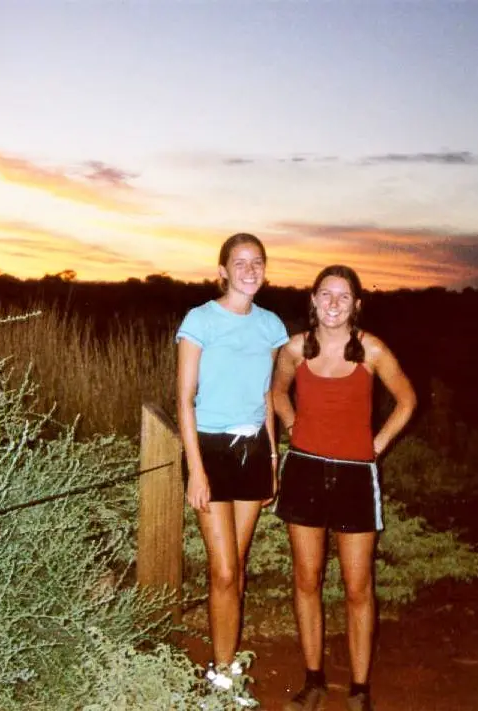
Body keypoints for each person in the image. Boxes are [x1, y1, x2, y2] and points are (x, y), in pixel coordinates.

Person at [271, 265, 416, 711]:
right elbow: (276, 392)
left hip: (356, 474)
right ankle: (313, 681)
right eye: (325, 294)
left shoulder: (371, 349)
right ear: (312, 300)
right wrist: (294, 424)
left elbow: (407, 399)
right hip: (304, 472)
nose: (333, 302)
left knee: (357, 587)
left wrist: (377, 444)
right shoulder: (295, 348)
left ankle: (358, 690)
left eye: (343, 295)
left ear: (357, 304)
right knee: (307, 580)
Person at [176, 233, 289, 707]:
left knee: (235, 568)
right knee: (223, 570)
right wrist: (197, 472)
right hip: (210, 449)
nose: (249, 270)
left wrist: (271, 458)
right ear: (222, 270)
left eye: (257, 262)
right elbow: (183, 399)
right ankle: (220, 677)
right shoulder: (200, 320)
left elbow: (267, 396)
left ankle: (227, 665)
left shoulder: (271, 326)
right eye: (239, 263)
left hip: (253, 452)